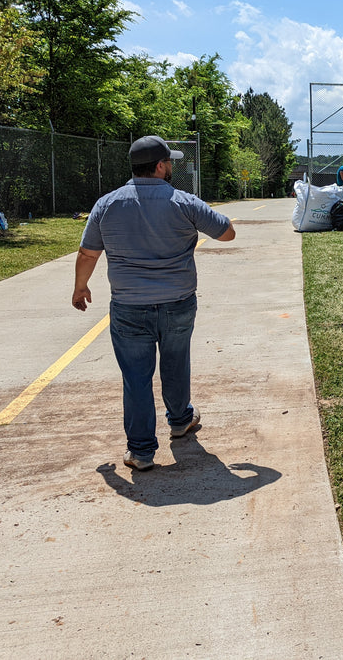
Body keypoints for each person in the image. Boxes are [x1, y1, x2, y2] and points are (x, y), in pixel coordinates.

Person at [71, 135, 235, 470]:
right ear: (160, 166)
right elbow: (227, 233)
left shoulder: (107, 204)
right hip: (177, 302)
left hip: (129, 307)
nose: (171, 166)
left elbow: (88, 252)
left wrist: (80, 287)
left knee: (136, 377)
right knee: (175, 362)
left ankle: (142, 452)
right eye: (169, 162)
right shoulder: (184, 202)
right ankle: (179, 420)